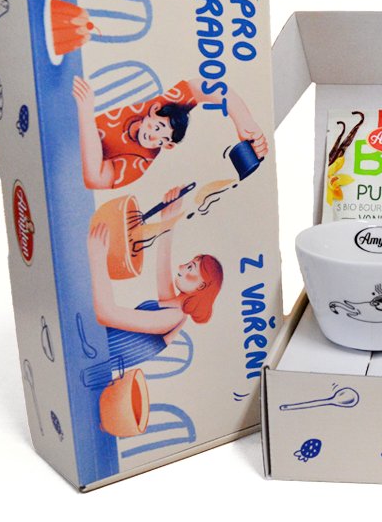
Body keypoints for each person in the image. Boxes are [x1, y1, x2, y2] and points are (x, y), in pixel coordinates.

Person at [87, 186, 223, 369]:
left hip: (90, 356)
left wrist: (97, 258)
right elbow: (162, 264)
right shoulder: (174, 306)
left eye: (190, 268)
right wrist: (167, 219)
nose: (181, 267)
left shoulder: (173, 316)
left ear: (201, 286)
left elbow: (106, 314)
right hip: (91, 345)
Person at [72, 76, 269, 190]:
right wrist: (244, 121)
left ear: (167, 145)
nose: (153, 137)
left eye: (161, 140)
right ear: (153, 111)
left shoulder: (140, 161)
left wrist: (86, 113)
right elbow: (205, 86)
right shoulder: (162, 107)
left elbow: (94, 178)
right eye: (157, 128)